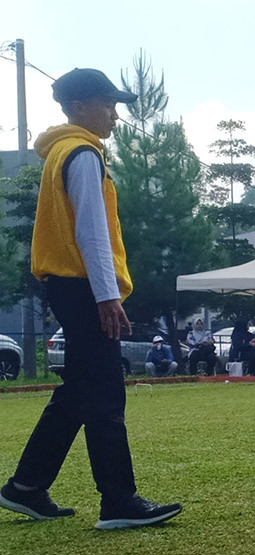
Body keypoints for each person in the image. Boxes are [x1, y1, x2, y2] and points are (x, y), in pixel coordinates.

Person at [0, 68, 181, 529]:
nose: (116, 115)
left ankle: (25, 487)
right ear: (80, 107)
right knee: (104, 392)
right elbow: (92, 233)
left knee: (80, 391)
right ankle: (118, 501)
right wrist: (107, 296)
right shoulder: (81, 154)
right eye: (109, 104)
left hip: (65, 286)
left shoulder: (60, 151)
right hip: (83, 287)